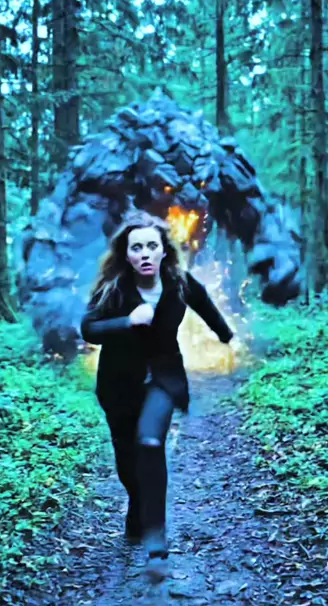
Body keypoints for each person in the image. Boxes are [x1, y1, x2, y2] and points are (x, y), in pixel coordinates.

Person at [80, 208, 234, 580]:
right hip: (118, 386)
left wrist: (226, 336)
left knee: (150, 442)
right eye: (137, 248)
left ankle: (156, 544)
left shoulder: (179, 282)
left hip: (165, 380)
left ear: (164, 250)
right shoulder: (114, 287)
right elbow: (89, 329)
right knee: (127, 462)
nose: (145, 253)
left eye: (152, 246)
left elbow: (206, 306)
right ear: (126, 254)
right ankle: (137, 506)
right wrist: (127, 321)